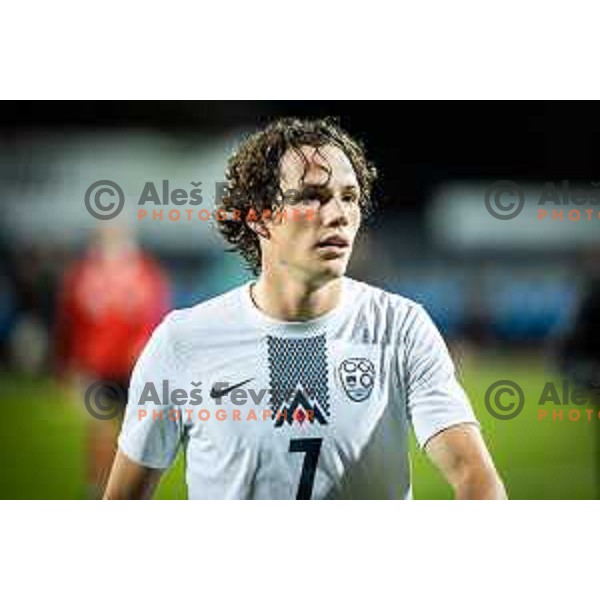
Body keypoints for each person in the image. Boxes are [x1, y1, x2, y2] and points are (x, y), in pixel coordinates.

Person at [104, 117, 506, 499]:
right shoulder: (184, 341)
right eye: (312, 197)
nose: (338, 215)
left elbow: (475, 476)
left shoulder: (400, 328)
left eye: (349, 197)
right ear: (259, 217)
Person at [55, 224, 170, 498]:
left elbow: (155, 313)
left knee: (126, 433)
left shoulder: (139, 272)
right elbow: (71, 320)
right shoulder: (88, 273)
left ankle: (111, 491)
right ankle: (100, 490)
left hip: (131, 366)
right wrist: (70, 361)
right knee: (106, 429)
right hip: (102, 366)